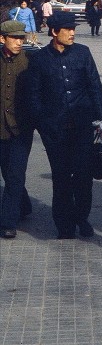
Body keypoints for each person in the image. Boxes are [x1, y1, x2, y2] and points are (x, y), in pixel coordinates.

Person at [27, 12, 102, 239]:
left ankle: (82, 218)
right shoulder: (40, 59)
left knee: (84, 177)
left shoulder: (83, 53)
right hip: (55, 132)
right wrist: (43, 125)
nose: (73, 33)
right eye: (68, 29)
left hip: (83, 127)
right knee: (61, 178)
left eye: (74, 28)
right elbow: (33, 97)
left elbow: (95, 88)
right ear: (54, 32)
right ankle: (64, 225)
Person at [0, 21, 34, 239]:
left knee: (14, 175)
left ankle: (8, 222)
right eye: (14, 38)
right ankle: (25, 204)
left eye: (21, 38)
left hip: (21, 130)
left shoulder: (31, 61)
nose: (19, 42)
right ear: (2, 39)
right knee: (8, 172)